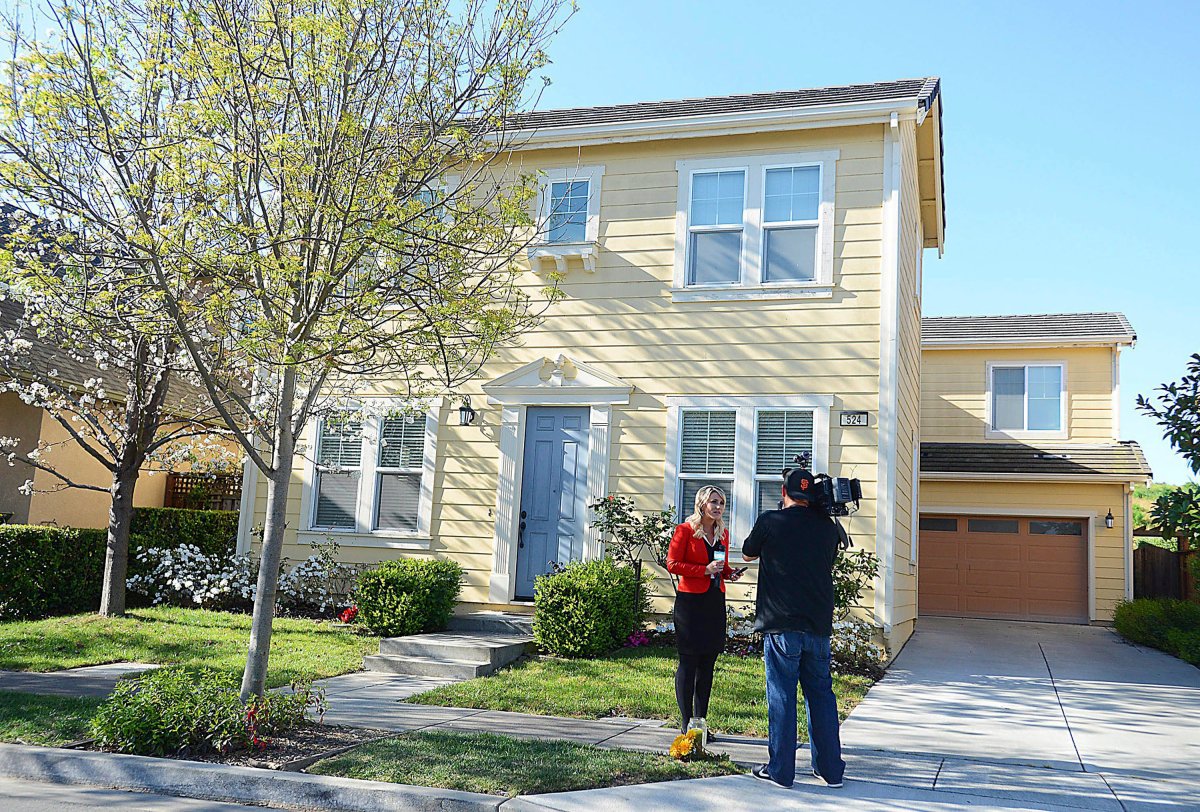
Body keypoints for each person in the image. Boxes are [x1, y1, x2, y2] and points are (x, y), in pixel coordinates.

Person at [741, 468, 845, 789]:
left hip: (782, 623)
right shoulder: (828, 528)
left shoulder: (771, 521)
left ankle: (781, 771)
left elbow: (747, 552)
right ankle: (830, 771)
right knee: (821, 696)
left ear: (784, 494)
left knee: (782, 695)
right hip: (818, 626)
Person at [665, 485, 743, 738]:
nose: (718, 507)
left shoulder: (722, 534)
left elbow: (722, 566)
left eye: (721, 503)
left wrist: (730, 573)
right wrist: (703, 570)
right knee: (689, 662)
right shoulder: (685, 531)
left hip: (713, 602)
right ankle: (685, 722)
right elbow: (673, 564)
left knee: (708, 663)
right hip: (690, 604)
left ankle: (701, 724)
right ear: (701, 504)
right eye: (713, 502)